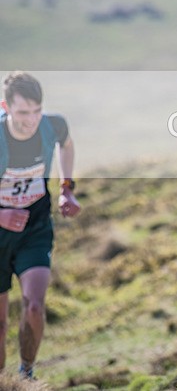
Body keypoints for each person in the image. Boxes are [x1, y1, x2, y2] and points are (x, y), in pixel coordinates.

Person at [0, 72, 81, 379]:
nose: (31, 120)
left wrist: (67, 188)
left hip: (34, 229)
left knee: (34, 306)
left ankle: (26, 373)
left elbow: (67, 144)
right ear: (6, 107)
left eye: (36, 111)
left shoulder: (53, 125)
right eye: (22, 113)